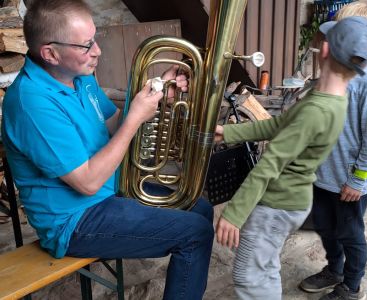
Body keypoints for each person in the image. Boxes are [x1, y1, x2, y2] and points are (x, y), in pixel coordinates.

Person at [1, 1, 214, 299]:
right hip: (74, 220)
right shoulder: (31, 102)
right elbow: (87, 183)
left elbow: (113, 124)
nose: (97, 51)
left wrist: (156, 93)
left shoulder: (81, 78)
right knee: (195, 234)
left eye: (95, 39)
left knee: (200, 207)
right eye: (86, 45)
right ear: (50, 53)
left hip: (111, 191)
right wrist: (136, 117)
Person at [213, 16, 367, 300]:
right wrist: (229, 132)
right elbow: (279, 125)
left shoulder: (316, 109)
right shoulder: (329, 100)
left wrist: (234, 213)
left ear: (324, 51)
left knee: (249, 276)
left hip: (277, 203)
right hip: (293, 200)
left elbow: (270, 163)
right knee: (263, 266)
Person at [299, 3, 367, 300]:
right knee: (325, 227)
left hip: (349, 183)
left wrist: (358, 180)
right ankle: (334, 270)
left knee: (350, 235)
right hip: (323, 175)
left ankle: (351, 285)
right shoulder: (334, 71)